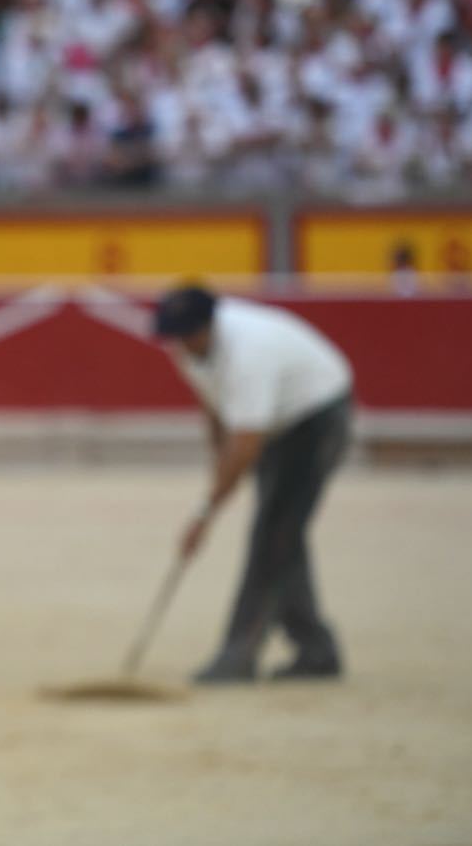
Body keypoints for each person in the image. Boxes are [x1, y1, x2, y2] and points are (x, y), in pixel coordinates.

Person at [152, 285, 354, 684]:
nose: (180, 344)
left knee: (274, 533)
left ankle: (239, 655)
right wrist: (217, 475)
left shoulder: (248, 352)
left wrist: (205, 512)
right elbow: (217, 412)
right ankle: (316, 649)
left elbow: (246, 443)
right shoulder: (190, 349)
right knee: (280, 534)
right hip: (279, 422)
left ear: (211, 325)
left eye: (187, 334)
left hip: (317, 417)